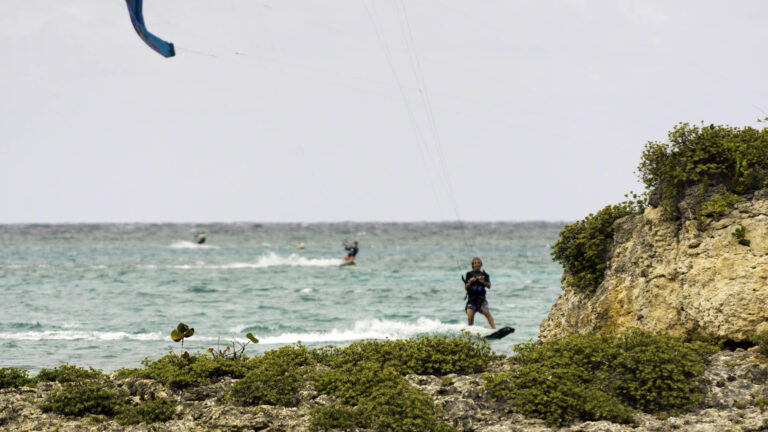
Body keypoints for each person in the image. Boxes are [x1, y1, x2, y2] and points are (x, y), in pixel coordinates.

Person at [464, 257, 495, 329]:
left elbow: (489, 286)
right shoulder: (469, 274)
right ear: (473, 265)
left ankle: (494, 329)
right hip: (471, 300)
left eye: (478, 263)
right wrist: (470, 282)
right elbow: (466, 288)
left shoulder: (485, 275)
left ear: (481, 265)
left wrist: (483, 281)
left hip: (481, 299)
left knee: (486, 312)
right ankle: (470, 332)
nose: (477, 264)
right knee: (470, 317)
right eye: (475, 263)